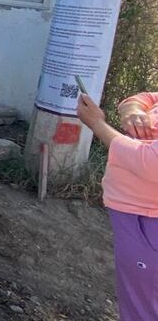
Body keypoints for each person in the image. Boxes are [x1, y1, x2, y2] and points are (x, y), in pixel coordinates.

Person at [76, 92, 157, 320]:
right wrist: (133, 110)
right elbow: (147, 97)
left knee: (142, 311)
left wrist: (97, 124)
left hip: (147, 221)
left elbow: (151, 163)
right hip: (138, 218)